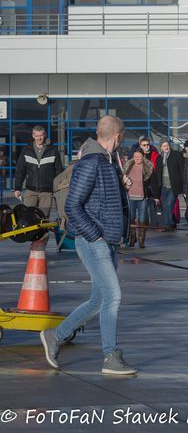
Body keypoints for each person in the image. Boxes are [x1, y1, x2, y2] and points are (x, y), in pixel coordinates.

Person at [40, 115, 138, 376]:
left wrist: (120, 185)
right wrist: (94, 235)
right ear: (117, 137)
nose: (122, 142)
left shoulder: (106, 162)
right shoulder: (91, 161)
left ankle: (55, 337)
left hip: (108, 240)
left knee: (99, 299)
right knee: (113, 296)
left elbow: (100, 199)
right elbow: (73, 205)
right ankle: (111, 356)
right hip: (95, 240)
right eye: (122, 138)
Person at [14, 125, 65, 216]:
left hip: (47, 192)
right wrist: (17, 188)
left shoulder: (53, 150)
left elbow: (59, 171)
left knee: (44, 219)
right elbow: (20, 170)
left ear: (44, 135)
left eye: (41, 135)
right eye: (37, 136)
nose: (39, 138)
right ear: (33, 136)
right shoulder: (26, 150)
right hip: (30, 190)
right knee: (27, 217)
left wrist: (58, 189)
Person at [123, 149, 153, 250]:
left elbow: (152, 181)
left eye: (139, 157)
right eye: (135, 156)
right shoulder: (129, 165)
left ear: (143, 156)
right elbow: (123, 178)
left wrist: (155, 195)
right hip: (130, 196)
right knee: (131, 218)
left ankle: (141, 241)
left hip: (142, 197)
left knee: (142, 219)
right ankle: (132, 239)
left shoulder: (147, 166)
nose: (137, 158)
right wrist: (125, 185)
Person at [155, 140, 186, 231]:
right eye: (164, 146)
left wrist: (183, 185)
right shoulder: (159, 158)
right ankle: (172, 222)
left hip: (173, 186)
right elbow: (158, 173)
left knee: (169, 204)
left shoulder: (176, 155)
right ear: (161, 147)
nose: (166, 147)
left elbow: (182, 170)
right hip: (163, 186)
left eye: (167, 145)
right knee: (165, 206)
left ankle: (166, 225)